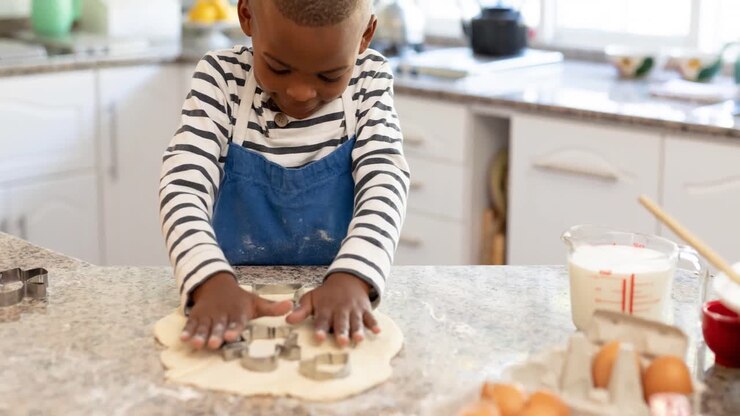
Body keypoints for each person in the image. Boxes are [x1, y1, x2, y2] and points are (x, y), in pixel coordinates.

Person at [159, 0, 410, 351]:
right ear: (247, 15)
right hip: (231, 295)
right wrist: (208, 279)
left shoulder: (369, 81)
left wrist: (354, 275)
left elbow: (385, 179)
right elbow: (183, 183)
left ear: (366, 34)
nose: (300, 92)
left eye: (329, 76)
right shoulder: (221, 79)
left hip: (338, 298)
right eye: (278, 67)